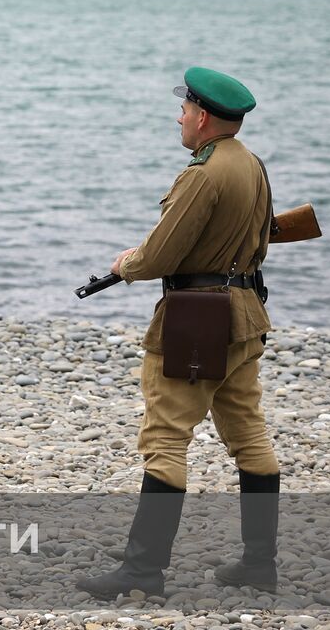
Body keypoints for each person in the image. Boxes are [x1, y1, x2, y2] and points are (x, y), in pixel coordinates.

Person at [79, 67, 279, 599]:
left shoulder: (202, 173)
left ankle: (144, 571)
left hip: (198, 320)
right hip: (245, 315)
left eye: (185, 110)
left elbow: (163, 252)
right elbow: (262, 238)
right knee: (249, 436)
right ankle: (261, 564)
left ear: (204, 116)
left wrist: (129, 263)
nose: (180, 117)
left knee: (165, 439)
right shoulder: (252, 165)